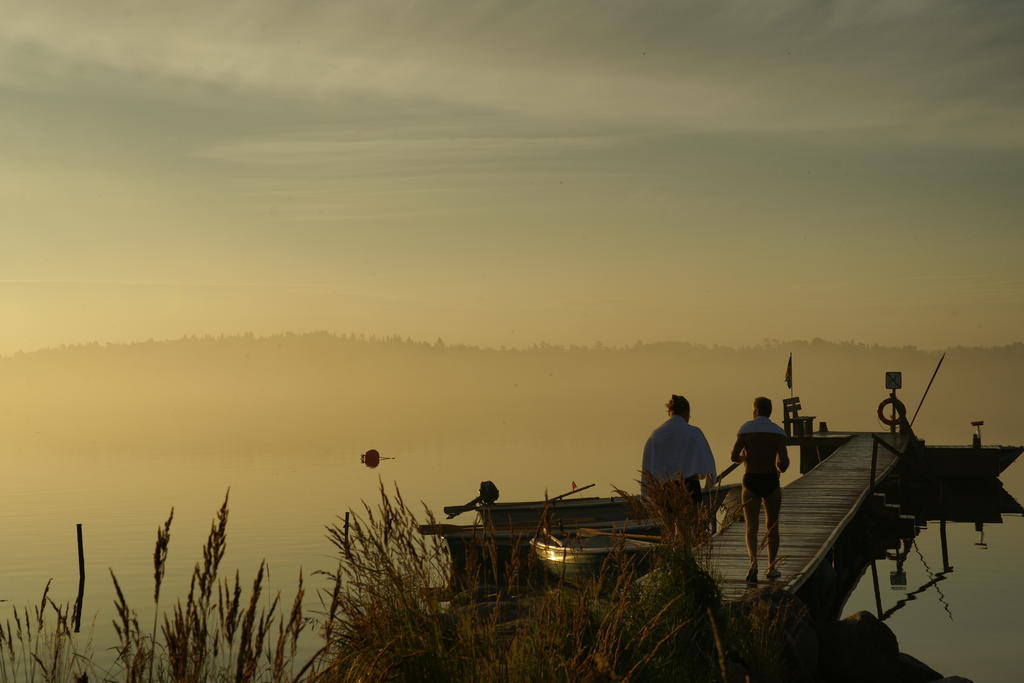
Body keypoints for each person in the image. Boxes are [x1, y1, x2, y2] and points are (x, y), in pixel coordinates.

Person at [731, 396, 789, 583]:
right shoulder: (778, 432)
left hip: (751, 480)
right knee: (772, 525)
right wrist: (780, 466)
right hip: (770, 480)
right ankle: (771, 567)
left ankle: (753, 564)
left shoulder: (745, 430)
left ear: (755, 410)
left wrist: (743, 457)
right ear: (770, 411)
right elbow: (784, 463)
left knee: (751, 526)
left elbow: (733, 456)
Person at [641, 394, 717, 504]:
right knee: (691, 520)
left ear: (669, 413)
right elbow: (708, 463)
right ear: (687, 413)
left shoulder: (656, 436)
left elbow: (647, 468)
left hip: (666, 490)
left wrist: (647, 494)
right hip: (690, 488)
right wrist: (708, 486)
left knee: (670, 521)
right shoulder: (694, 432)